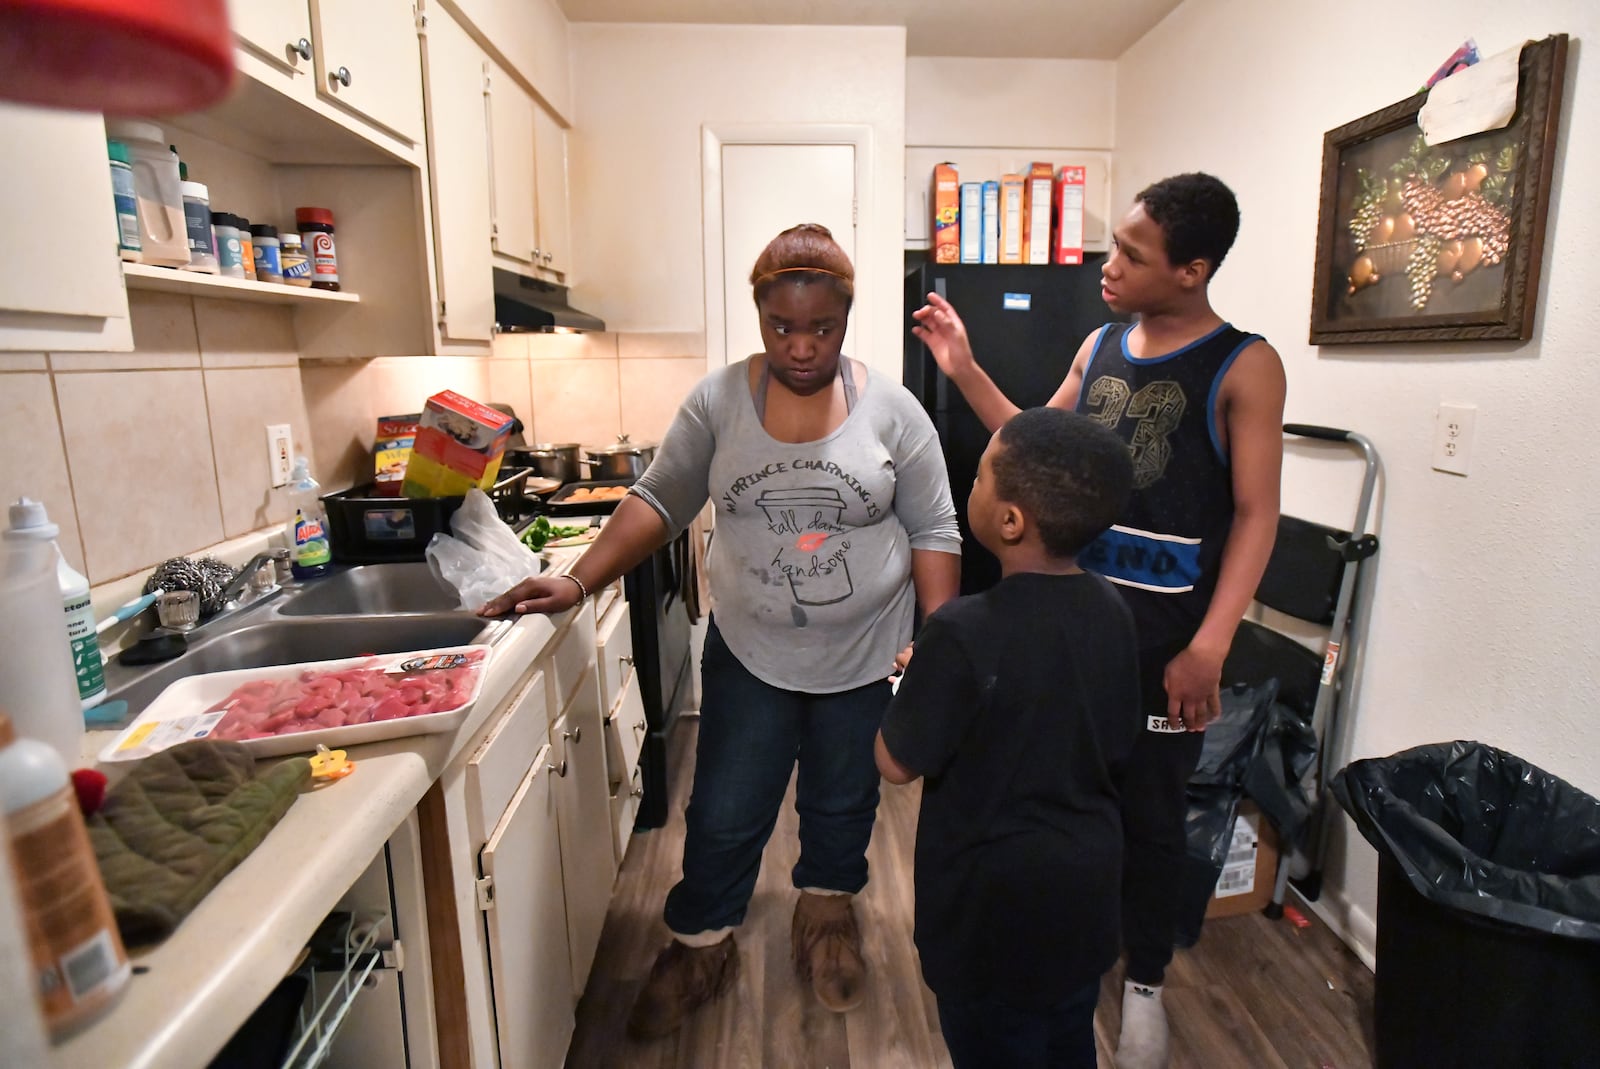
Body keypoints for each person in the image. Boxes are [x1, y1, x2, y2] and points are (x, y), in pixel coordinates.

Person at [480, 223, 962, 1039]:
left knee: (844, 804)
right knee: (728, 809)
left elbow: (936, 529)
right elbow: (659, 500)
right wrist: (576, 576)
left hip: (864, 656)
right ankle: (701, 941)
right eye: (782, 326)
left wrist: (940, 644)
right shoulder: (717, 402)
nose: (802, 346)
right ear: (759, 312)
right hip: (751, 654)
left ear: (846, 319)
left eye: (822, 328)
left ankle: (826, 917)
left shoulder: (894, 410)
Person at [911, 173, 1287, 1069]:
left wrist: (1210, 644)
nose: (1107, 265)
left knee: (1152, 814)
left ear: (1192, 270)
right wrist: (963, 367)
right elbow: (1035, 451)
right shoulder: (1101, 339)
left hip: (1165, 645)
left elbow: (1257, 513)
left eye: (1131, 253)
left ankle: (1145, 982)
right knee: (1058, 804)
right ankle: (1065, 967)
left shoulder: (1245, 363)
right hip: (1065, 623)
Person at [876, 407, 1140, 1069]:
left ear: (1011, 519)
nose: (972, 486)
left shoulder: (962, 631)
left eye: (980, 476)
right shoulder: (1114, 610)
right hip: (1086, 893)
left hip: (990, 909)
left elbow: (896, 761)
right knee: (1066, 1040)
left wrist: (914, 680)